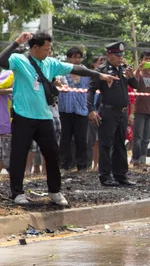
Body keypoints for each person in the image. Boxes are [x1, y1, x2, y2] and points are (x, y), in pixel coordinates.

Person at [0, 32, 117, 205]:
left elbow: (76, 69)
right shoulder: (19, 60)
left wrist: (99, 75)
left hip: (44, 117)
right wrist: (17, 42)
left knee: (53, 154)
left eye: (50, 49)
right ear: (35, 47)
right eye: (46, 49)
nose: (48, 52)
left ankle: (54, 191)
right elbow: (2, 60)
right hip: (23, 116)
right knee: (19, 155)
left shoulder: (51, 63)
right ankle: (17, 193)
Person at [88, 41, 138, 187]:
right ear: (108, 55)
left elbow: (135, 86)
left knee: (120, 145)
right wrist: (91, 109)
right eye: (117, 55)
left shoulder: (123, 69)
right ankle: (105, 176)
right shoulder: (101, 71)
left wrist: (132, 76)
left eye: (121, 55)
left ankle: (121, 175)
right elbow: (91, 91)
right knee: (105, 145)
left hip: (122, 112)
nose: (120, 57)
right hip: (108, 111)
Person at [58, 46, 89, 171]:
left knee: (81, 139)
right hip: (65, 110)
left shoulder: (86, 72)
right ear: (68, 58)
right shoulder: (61, 72)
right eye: (74, 57)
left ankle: (82, 165)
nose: (77, 60)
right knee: (65, 138)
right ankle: (65, 164)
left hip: (81, 109)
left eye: (79, 57)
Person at [131, 51, 150, 166]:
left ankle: (142, 160)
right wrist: (138, 69)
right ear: (142, 60)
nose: (148, 61)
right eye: (146, 59)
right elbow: (133, 82)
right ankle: (136, 159)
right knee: (138, 137)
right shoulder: (138, 74)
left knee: (146, 138)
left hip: (148, 110)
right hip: (138, 109)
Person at [86, 55, 105, 170]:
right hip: (90, 112)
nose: (102, 65)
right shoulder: (89, 78)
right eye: (99, 63)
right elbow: (89, 94)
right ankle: (89, 164)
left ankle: (98, 165)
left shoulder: (106, 78)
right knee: (90, 141)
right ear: (93, 64)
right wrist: (90, 111)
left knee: (99, 141)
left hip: (102, 112)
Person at [0, 69, 14, 173]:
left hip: (6, 124)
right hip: (4, 123)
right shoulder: (10, 74)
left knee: (8, 158)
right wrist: (13, 90)